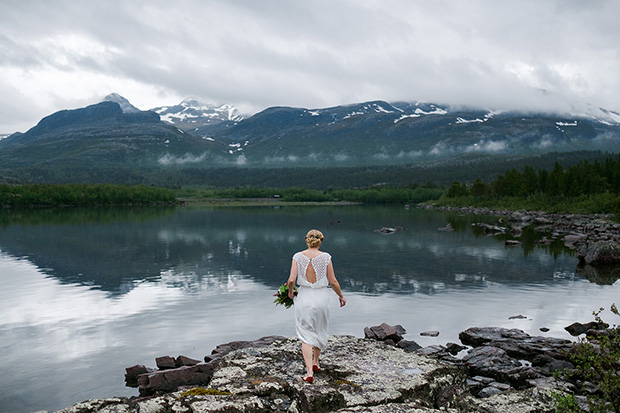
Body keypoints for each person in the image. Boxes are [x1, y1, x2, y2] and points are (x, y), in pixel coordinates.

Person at [287, 229, 346, 384]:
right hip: (321, 296)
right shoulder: (326, 257)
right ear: (320, 241)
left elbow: (292, 279)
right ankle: (316, 363)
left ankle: (308, 373)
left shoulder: (297, 257)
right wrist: (340, 295)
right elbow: (333, 281)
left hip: (304, 296)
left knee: (306, 334)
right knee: (320, 328)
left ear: (307, 240)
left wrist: (291, 292)